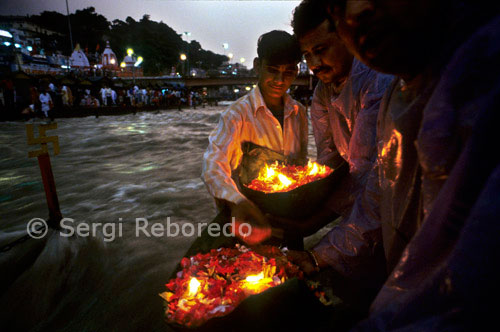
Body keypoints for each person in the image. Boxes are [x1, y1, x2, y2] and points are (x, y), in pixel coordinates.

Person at [290, 0, 500, 329]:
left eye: (322, 49)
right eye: (338, 6)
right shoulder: (395, 93)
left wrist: (317, 241)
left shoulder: (481, 75)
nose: (356, 11)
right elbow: (370, 183)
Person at [271, 0, 393, 240]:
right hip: (359, 201)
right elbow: (329, 160)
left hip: (387, 201)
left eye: (321, 50)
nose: (314, 65)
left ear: (346, 36)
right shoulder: (322, 93)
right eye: (307, 55)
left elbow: (366, 173)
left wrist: (309, 225)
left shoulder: (377, 83)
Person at [202, 30, 306, 246]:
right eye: (272, 70)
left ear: (296, 71)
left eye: (288, 71)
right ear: (258, 65)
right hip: (248, 223)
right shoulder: (236, 114)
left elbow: (300, 164)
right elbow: (212, 167)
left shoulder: (299, 113)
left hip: (291, 220)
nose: (280, 80)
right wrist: (238, 202)